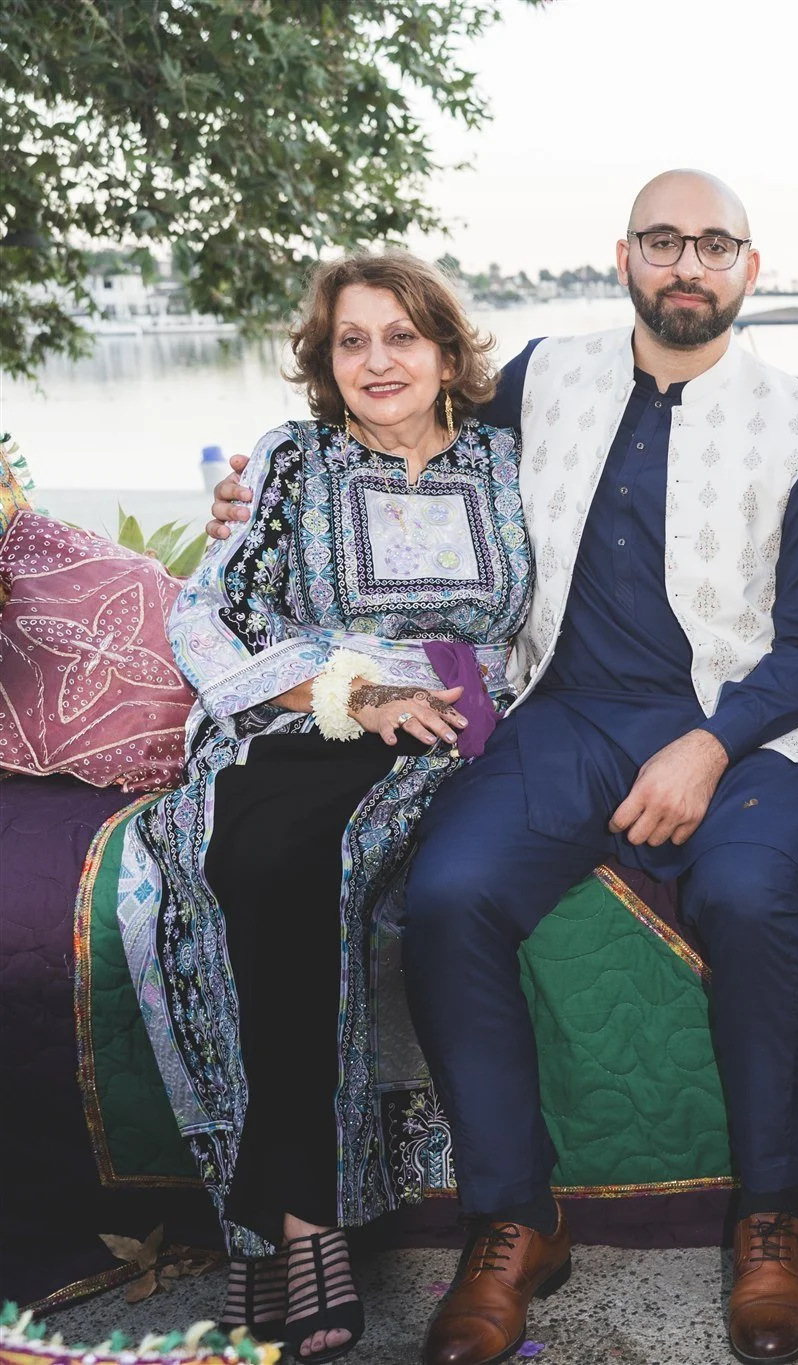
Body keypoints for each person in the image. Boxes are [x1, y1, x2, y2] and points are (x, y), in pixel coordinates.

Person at [206, 170, 798, 1365]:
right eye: (662, 241)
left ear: (748, 271)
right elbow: (402, 437)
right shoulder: (545, 379)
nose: (686, 264)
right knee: (453, 895)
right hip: (561, 708)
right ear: (622, 258)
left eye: (713, 245)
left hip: (748, 720)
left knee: (749, 893)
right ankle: (515, 1218)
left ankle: (771, 1213)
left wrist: (709, 747)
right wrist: (262, 497)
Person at [129, 250, 527, 1363]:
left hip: (444, 729)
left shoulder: (508, 463)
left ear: (447, 353)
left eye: (401, 335)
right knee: (244, 863)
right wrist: (332, 689)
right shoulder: (295, 460)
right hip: (302, 712)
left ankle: (271, 1225)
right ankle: (303, 1226)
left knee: (306, 865)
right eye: (352, 341)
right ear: (326, 362)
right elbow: (203, 620)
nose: (377, 361)